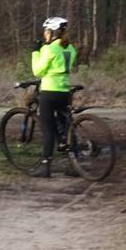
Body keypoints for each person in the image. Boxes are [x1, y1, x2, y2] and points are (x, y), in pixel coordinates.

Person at [29, 16, 78, 178]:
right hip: (65, 91)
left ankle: (45, 166)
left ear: (53, 32)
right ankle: (74, 164)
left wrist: (35, 52)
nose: (44, 34)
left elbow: (37, 71)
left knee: (48, 129)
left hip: (50, 91)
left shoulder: (49, 49)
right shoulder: (70, 49)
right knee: (67, 128)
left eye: (46, 31)